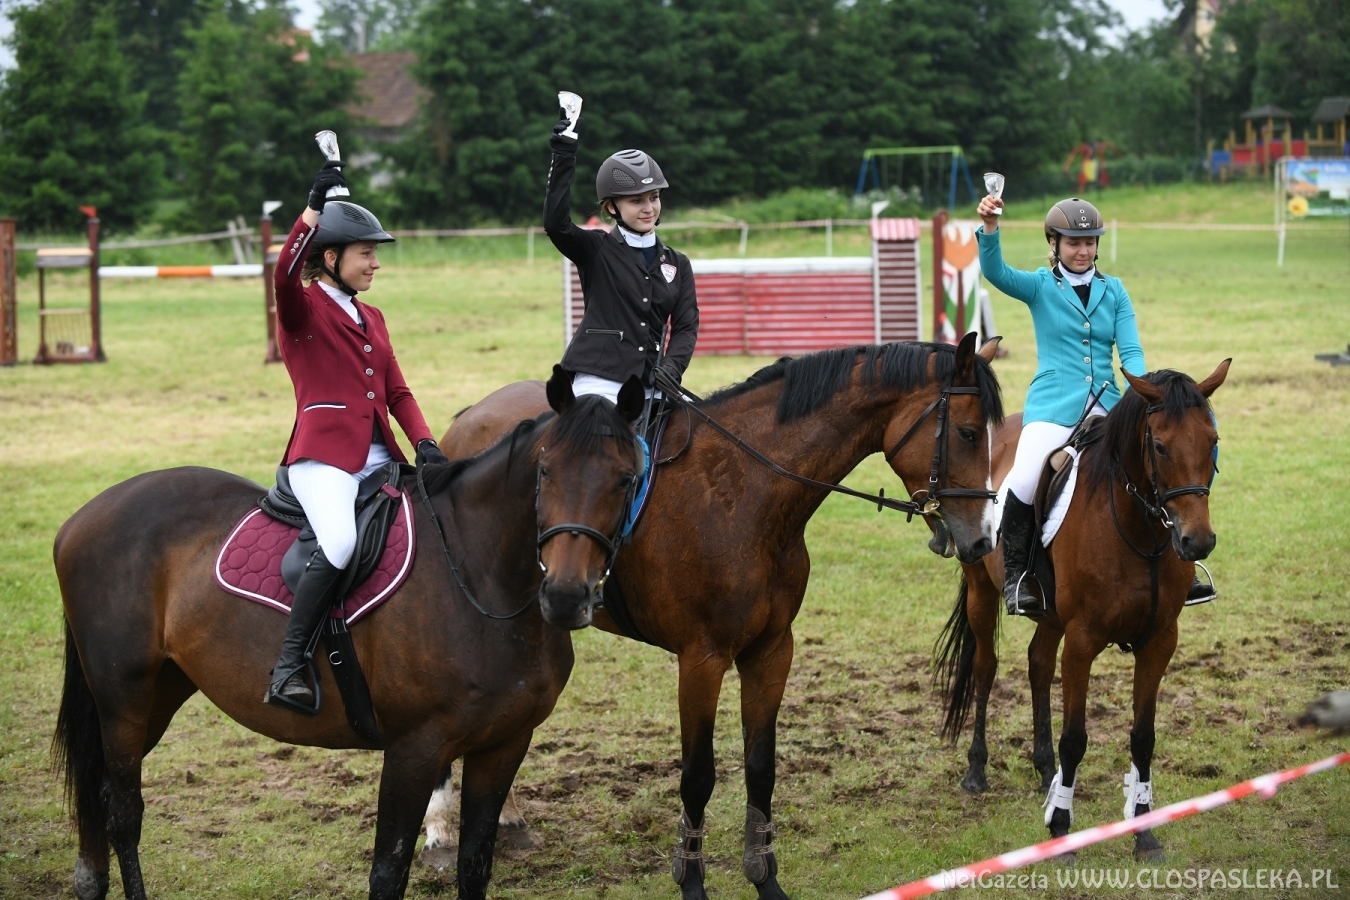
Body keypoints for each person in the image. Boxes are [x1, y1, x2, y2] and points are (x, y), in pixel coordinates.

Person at [264, 160, 448, 711]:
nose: (376, 263)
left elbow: (398, 393)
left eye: (375, 253)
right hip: (322, 460)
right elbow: (282, 275)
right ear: (331, 258)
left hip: (380, 458)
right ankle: (288, 665)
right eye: (366, 252)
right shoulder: (302, 310)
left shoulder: (375, 317)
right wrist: (311, 210)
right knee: (341, 542)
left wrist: (425, 442)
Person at [976, 195, 1213, 615]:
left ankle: (1183, 567)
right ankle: (1017, 575)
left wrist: (1143, 393)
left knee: (1161, 467)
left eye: (1089, 242)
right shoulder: (1039, 286)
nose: (1082, 250)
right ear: (1054, 243)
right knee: (1025, 478)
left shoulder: (1114, 290)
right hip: (1053, 407)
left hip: (1109, 407)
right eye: (1073, 243)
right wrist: (991, 227)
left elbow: (1131, 351)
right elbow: (996, 272)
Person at [543, 107, 698, 410]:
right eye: (636, 200)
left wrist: (671, 369)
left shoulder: (677, 263)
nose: (649, 208)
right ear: (612, 207)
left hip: (653, 384)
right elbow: (556, 225)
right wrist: (563, 155)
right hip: (599, 380)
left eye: (654, 197)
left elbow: (685, 327)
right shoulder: (595, 249)